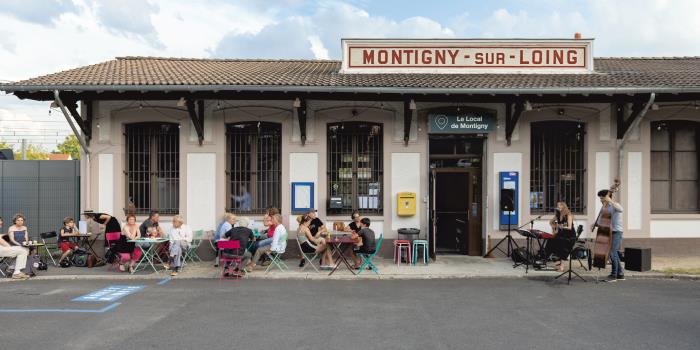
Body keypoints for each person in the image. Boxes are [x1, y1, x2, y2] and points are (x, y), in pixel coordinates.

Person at [596, 189, 625, 282]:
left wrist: (611, 201)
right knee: (614, 252)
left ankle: (614, 275)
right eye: (600, 198)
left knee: (612, 252)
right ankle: (620, 274)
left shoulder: (614, 205)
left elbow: (621, 209)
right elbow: (602, 220)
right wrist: (595, 223)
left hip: (616, 232)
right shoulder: (605, 207)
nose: (601, 200)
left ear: (607, 197)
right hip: (608, 231)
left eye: (602, 198)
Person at [546, 202, 576, 273]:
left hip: (569, 236)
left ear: (563, 207)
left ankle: (562, 267)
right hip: (561, 234)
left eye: (559, 206)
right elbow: (551, 222)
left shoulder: (568, 215)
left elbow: (569, 227)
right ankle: (546, 258)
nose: (558, 207)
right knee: (550, 240)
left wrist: (561, 226)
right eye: (557, 206)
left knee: (562, 245)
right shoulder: (558, 215)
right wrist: (554, 228)